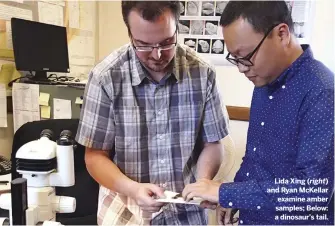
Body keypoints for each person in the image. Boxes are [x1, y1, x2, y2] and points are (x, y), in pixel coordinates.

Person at [75, 1, 229, 225]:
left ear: (177, 26)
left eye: (167, 43)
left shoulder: (202, 73)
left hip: (186, 212)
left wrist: (202, 183)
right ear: (129, 34)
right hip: (126, 210)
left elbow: (213, 144)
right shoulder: (105, 77)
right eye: (144, 45)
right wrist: (133, 189)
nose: (157, 55)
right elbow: (95, 156)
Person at [182, 1, 334, 225]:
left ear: (281, 34)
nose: (242, 68)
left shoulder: (322, 92)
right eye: (235, 58)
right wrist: (234, 196)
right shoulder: (264, 80)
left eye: (246, 56)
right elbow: (255, 158)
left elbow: (312, 192)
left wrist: (226, 193)